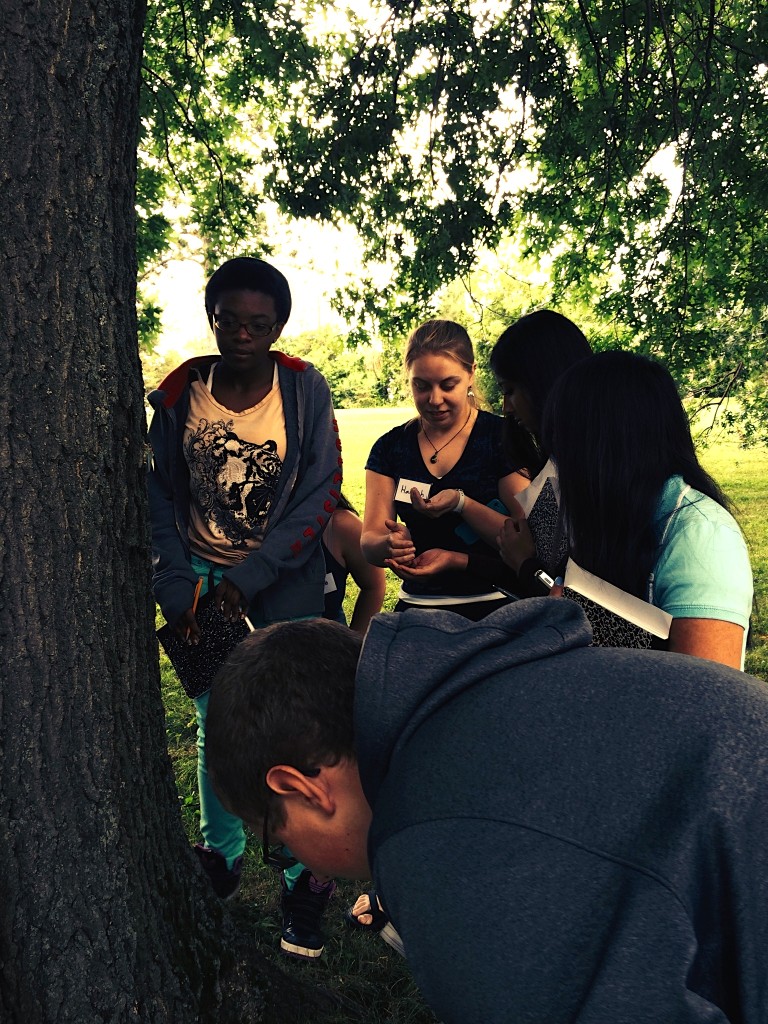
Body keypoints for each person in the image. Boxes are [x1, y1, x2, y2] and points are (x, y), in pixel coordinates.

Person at [205, 607, 768, 1024]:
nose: (290, 859)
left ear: (301, 788)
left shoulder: (438, 853)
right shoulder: (479, 679)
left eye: (277, 843)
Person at [147, 255, 342, 959]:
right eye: (230, 320)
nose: (242, 335)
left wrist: (254, 573)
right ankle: (221, 856)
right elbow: (162, 495)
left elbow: (322, 490)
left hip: (283, 582)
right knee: (214, 722)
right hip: (201, 585)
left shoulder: (303, 389)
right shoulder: (179, 395)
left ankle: (301, 877)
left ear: (279, 327)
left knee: (291, 729)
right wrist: (178, 585)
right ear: (213, 319)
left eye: (259, 324)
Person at [500, 350, 753, 668]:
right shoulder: (606, 514)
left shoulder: (701, 535)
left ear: (599, 449)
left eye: (562, 448)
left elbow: (708, 698)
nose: (557, 467)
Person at [399, 309, 592, 597]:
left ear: (544, 386)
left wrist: (527, 565)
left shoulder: (591, 478)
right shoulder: (560, 464)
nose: (506, 407)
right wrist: (458, 558)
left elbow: (560, 592)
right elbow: (525, 568)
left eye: (511, 391)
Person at [361, 318, 527, 618]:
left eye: (448, 385)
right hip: (418, 608)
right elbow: (369, 541)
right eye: (421, 386)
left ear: (471, 374)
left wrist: (462, 504)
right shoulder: (390, 448)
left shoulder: (502, 438)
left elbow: (524, 536)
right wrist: (389, 545)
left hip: (497, 602)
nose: (434, 400)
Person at [322, 492, 386, 633]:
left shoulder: (340, 524)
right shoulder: (264, 529)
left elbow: (374, 586)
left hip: (329, 645)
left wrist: (354, 645)